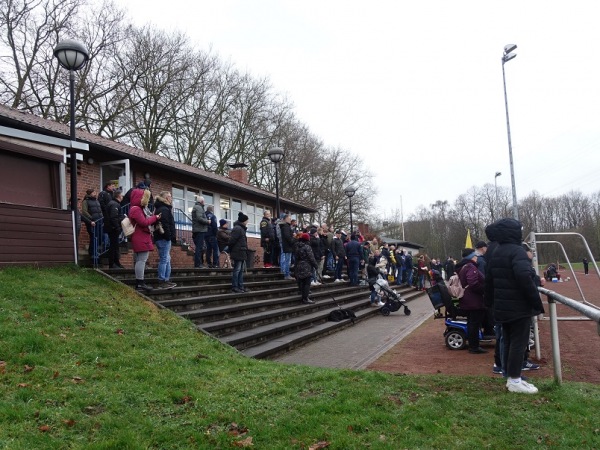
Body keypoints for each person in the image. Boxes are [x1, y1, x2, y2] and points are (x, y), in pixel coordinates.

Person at [484, 218, 544, 394]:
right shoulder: (517, 252)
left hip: (502, 307)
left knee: (509, 341)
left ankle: (511, 378)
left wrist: (489, 304)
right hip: (518, 307)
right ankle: (515, 379)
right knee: (519, 342)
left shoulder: (496, 252)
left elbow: (489, 280)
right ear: (513, 232)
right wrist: (536, 302)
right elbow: (524, 277)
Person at [455, 248, 488, 354]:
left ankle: (473, 345)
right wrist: (483, 290)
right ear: (472, 257)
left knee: (472, 323)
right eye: (475, 256)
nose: (477, 258)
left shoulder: (465, 266)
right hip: (473, 300)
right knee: (474, 323)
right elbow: (473, 282)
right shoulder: (471, 267)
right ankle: (474, 346)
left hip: (469, 300)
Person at [128, 188, 161, 292]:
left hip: (141, 236)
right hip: (140, 237)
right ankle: (140, 283)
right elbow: (144, 222)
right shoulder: (136, 209)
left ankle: (140, 283)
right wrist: (155, 217)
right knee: (141, 261)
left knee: (140, 260)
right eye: (144, 197)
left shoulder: (136, 208)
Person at [153, 191, 177, 289]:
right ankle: (162, 280)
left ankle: (166, 280)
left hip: (162, 238)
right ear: (166, 198)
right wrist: (169, 236)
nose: (171, 198)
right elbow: (165, 224)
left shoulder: (161, 208)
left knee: (167, 259)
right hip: (163, 238)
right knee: (164, 259)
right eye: (170, 197)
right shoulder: (164, 209)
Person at [228, 212, 250, 293]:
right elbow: (231, 241)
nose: (248, 222)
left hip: (241, 251)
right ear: (244, 221)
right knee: (237, 270)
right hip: (238, 252)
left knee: (240, 270)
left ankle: (240, 286)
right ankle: (235, 286)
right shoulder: (238, 229)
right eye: (247, 220)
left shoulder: (241, 229)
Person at [294, 232, 318, 304]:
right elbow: (311, 257)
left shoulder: (297, 246)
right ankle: (305, 298)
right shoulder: (307, 247)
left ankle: (302, 293)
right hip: (306, 266)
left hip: (298, 265)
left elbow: (296, 257)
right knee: (307, 283)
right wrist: (315, 265)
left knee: (301, 281)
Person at [80, 188, 103, 259]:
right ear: (90, 193)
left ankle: (93, 251)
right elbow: (84, 212)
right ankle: (93, 253)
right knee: (94, 237)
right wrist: (91, 218)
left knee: (98, 237)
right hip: (92, 222)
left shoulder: (96, 201)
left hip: (99, 220)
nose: (95, 194)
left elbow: (100, 210)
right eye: (93, 192)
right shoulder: (85, 201)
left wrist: (101, 217)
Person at [105, 190, 124, 269]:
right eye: (122, 195)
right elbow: (113, 217)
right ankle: (113, 264)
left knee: (115, 246)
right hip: (113, 228)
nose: (123, 197)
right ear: (118, 196)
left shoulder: (113, 203)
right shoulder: (114, 204)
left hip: (111, 228)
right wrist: (117, 227)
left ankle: (116, 263)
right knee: (114, 246)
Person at [191, 195, 210, 268]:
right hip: (200, 230)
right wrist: (207, 221)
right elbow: (199, 218)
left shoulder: (197, 207)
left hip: (197, 230)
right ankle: (198, 264)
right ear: (202, 201)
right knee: (199, 247)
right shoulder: (199, 208)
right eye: (204, 201)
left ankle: (199, 263)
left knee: (200, 247)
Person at [279, 214, 294, 280]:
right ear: (285, 219)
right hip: (287, 246)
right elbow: (287, 237)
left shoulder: (286, 227)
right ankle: (287, 274)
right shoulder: (285, 227)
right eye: (289, 218)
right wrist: (293, 240)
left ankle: (287, 273)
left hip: (288, 246)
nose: (290, 219)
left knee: (288, 260)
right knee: (287, 261)